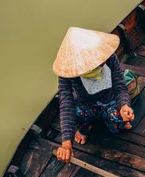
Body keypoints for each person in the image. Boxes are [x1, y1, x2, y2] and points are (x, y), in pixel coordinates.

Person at [52, 27, 135, 163]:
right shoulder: (67, 72)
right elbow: (66, 103)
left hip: (110, 102)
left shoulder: (110, 58)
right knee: (74, 114)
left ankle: (103, 120)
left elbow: (120, 88)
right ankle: (88, 124)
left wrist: (124, 105)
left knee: (122, 120)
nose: (102, 60)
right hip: (86, 105)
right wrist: (66, 142)